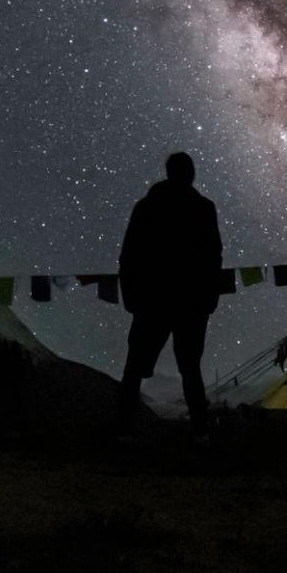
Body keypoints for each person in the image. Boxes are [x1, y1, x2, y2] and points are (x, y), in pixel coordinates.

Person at [117, 151, 224, 438]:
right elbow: (213, 256)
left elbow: (129, 254)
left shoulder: (147, 207)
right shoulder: (203, 208)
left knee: (135, 367)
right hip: (190, 302)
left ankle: (122, 429)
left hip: (152, 300)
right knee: (190, 369)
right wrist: (209, 297)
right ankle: (201, 432)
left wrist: (130, 293)